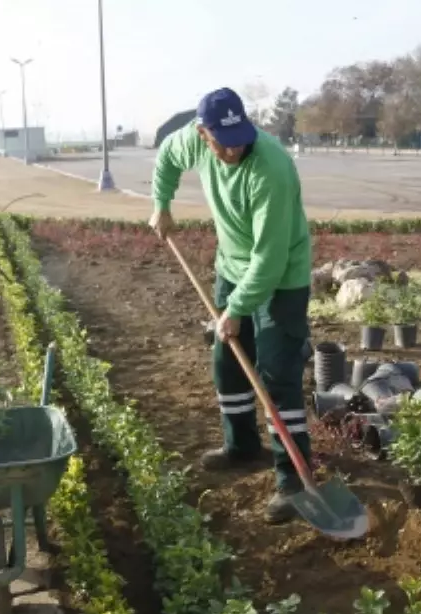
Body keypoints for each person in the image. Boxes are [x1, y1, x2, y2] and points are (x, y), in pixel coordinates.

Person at [148, 87, 313, 524]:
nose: (236, 147)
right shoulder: (191, 140)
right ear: (203, 134)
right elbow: (166, 157)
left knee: (277, 375)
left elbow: (271, 260)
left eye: (242, 136)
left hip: (282, 278)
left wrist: (236, 310)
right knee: (228, 362)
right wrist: (161, 205)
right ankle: (241, 445)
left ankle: (294, 480)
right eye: (225, 141)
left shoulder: (270, 168)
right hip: (232, 267)